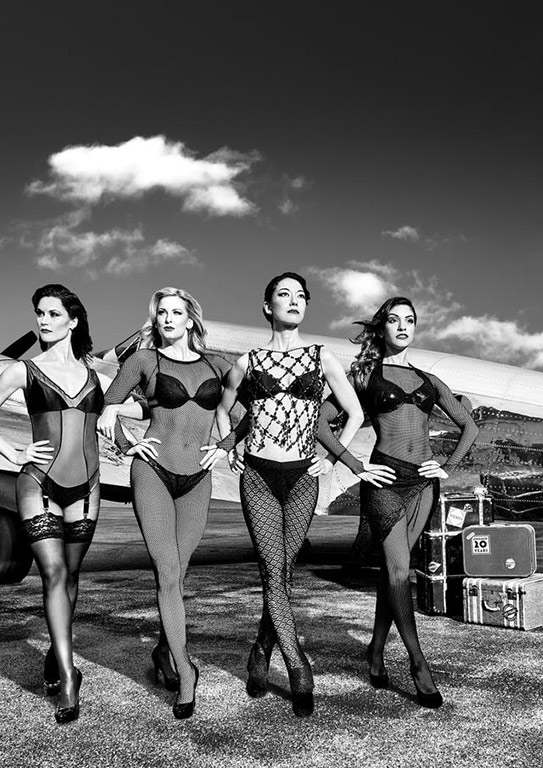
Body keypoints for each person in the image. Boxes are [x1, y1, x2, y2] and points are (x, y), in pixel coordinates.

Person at [215, 272, 393, 717]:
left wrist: (332, 459)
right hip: (258, 476)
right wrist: (229, 447)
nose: (294, 301)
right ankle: (298, 665)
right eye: (284, 294)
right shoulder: (247, 361)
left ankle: (260, 651)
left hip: (302, 479)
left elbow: (354, 413)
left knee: (283, 573)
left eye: (300, 296)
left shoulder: (321, 357)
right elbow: (224, 408)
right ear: (267, 306)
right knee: (272, 572)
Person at [319, 296, 478, 708]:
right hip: (385, 482)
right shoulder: (364, 375)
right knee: (398, 572)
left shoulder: (429, 380)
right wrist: (356, 465)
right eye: (394, 320)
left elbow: (470, 426)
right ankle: (418, 662)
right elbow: (321, 423)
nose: (403, 326)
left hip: (423, 485)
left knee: (394, 572)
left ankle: (375, 650)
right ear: (383, 327)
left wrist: (447, 466)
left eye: (410, 320)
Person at [0, 284, 103, 724]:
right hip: (38, 483)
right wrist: (12, 453)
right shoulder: (24, 370)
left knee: (72, 574)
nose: (43, 321)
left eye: (53, 313)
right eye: (39, 313)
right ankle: (68, 678)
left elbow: (115, 418)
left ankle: (55, 652)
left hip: (88, 487)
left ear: (73, 321)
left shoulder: (95, 375)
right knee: (54, 574)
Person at [98, 287, 231, 719]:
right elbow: (106, 406)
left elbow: (250, 409)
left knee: (178, 573)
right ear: (155, 320)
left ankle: (162, 651)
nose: (168, 318)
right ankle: (186, 672)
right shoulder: (144, 361)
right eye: (162, 313)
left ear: (191, 319)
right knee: (168, 573)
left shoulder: (218, 365)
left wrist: (226, 445)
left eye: (176, 312)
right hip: (153, 472)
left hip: (197, 479)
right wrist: (127, 445)